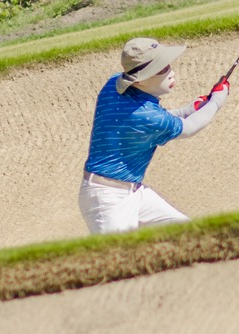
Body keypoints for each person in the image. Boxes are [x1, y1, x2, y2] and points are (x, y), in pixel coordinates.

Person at [79, 37, 229, 234]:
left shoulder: (113, 85)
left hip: (131, 191)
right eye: (161, 69)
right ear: (141, 78)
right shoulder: (147, 116)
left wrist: (188, 109)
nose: (171, 72)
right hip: (107, 199)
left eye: (167, 65)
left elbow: (153, 122)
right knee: (118, 260)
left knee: (188, 234)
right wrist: (217, 100)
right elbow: (189, 127)